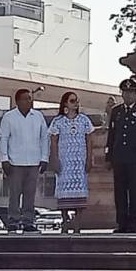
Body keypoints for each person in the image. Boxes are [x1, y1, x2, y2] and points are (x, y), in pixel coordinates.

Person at [105, 76, 136, 233]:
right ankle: (121, 223)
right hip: (119, 157)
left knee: (134, 191)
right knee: (119, 192)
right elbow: (112, 136)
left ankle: (133, 223)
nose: (127, 95)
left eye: (131, 92)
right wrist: (108, 156)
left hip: (135, 158)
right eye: (125, 92)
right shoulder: (116, 111)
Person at [0, 87, 50, 233]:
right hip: (15, 162)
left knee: (30, 194)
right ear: (18, 101)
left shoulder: (38, 116)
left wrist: (44, 158)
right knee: (14, 194)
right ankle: (13, 220)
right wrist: (4, 159)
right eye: (25, 98)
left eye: (30, 98)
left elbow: (44, 138)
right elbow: (3, 138)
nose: (29, 101)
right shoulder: (9, 117)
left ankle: (28, 221)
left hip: (33, 162)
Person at [49, 91, 94, 234]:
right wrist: (54, 159)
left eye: (77, 101)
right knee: (63, 192)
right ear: (65, 103)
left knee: (80, 192)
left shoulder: (84, 120)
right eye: (72, 101)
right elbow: (53, 142)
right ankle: (64, 222)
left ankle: (77, 225)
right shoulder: (58, 121)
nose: (76, 103)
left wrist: (89, 159)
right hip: (64, 162)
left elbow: (89, 141)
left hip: (79, 162)